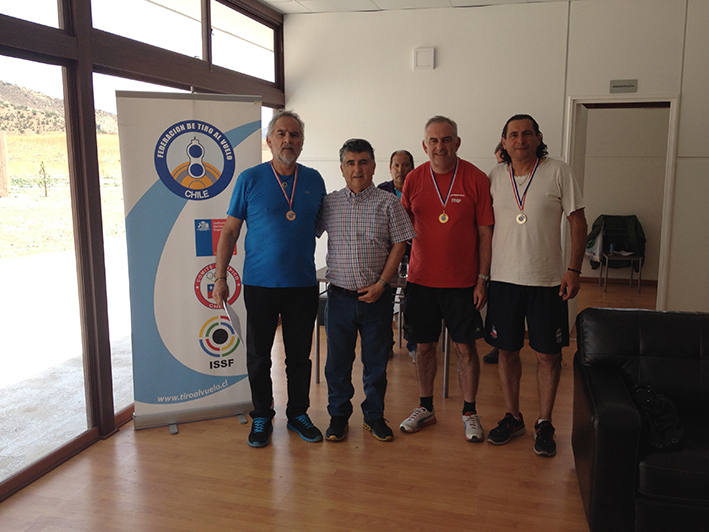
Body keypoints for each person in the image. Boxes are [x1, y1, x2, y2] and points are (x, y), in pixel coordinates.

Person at [213, 110, 326, 448]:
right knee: (259, 355)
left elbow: (319, 225)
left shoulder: (314, 180)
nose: (287, 140)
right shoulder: (250, 179)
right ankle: (262, 415)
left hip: (302, 284)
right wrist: (220, 276)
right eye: (281, 134)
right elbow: (229, 231)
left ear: (302, 143)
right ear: (269, 141)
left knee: (299, 357)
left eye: (294, 135)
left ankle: (298, 414)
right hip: (260, 284)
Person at [485, 114, 587, 457]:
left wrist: (574, 269)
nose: (521, 140)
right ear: (504, 142)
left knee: (548, 355)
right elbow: (484, 229)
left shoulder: (558, 171)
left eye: (527, 133)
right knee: (506, 351)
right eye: (513, 135)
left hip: (547, 281)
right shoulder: (494, 177)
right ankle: (513, 417)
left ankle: (544, 422)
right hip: (503, 280)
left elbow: (578, 222)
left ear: (538, 137)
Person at [399, 116, 494, 442]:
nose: (440, 146)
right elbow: (402, 228)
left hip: (463, 283)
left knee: (465, 348)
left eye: (447, 139)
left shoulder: (475, 178)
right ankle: (425, 407)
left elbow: (485, 232)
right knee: (424, 347)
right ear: (425, 146)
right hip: (421, 281)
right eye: (434, 141)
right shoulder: (413, 179)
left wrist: (482, 278)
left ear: (457, 142)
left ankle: (469, 411)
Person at [316, 139, 415, 442]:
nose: (357, 169)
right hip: (339, 298)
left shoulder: (389, 203)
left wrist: (383, 283)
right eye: (350, 163)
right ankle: (338, 417)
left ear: (373, 166)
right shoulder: (330, 203)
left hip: (377, 298)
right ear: (342, 168)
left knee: (375, 364)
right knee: (337, 363)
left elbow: (400, 243)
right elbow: (306, 232)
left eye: (363, 162)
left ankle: (374, 417)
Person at [378, 150, 417, 361]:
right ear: (390, 168)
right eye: (396, 165)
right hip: (388, 255)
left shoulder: (420, 188)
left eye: (405, 165)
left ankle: (413, 345)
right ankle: (386, 344)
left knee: (412, 301)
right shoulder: (381, 191)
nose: (400, 170)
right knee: (385, 300)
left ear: (412, 168)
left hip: (415, 253)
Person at [482, 142, 505, 365]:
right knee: (500, 313)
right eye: (498, 161)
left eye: (503, 160)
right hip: (498, 256)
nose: (501, 165)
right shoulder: (494, 179)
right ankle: (498, 346)